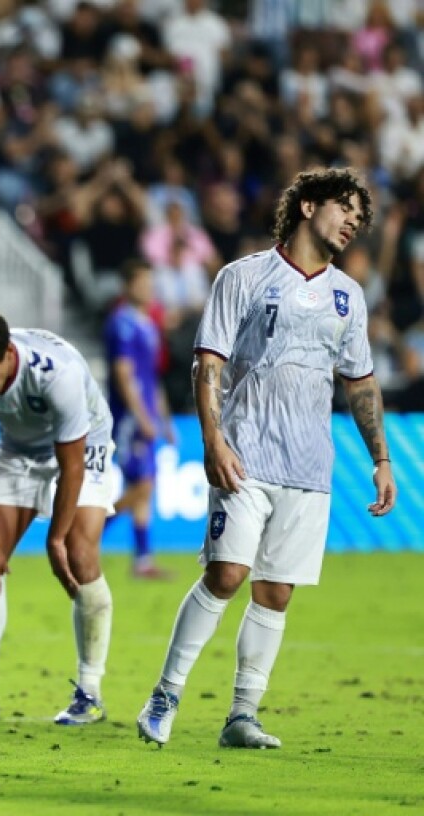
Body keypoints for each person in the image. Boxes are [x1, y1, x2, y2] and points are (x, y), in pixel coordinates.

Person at [136, 168, 396, 750]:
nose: (354, 220)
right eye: (345, 207)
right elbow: (209, 363)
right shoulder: (245, 276)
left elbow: (359, 382)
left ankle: (241, 716)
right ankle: (167, 693)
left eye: (361, 215)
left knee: (276, 591)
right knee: (226, 574)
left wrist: (380, 459)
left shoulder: (347, 296)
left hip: (309, 465)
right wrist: (213, 439)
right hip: (245, 452)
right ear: (307, 206)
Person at [0, 310, 118, 728]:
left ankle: (90, 693)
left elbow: (71, 467)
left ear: (7, 354)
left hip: (84, 445)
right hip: (18, 452)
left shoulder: (59, 375)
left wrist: (55, 539)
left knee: (80, 554)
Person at [103, 258, 175, 578]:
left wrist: (165, 419)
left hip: (145, 415)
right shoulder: (122, 323)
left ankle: (143, 560)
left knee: (144, 484)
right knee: (143, 484)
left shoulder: (147, 324)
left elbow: (151, 377)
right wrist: (142, 416)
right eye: (142, 283)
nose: (148, 289)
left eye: (150, 283)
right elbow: (123, 374)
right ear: (127, 287)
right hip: (130, 419)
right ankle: (89, 532)